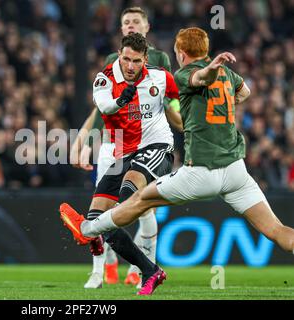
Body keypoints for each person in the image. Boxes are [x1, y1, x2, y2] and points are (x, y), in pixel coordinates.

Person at [61, 27, 294, 295]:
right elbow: (245, 94)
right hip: (236, 173)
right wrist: (216, 103)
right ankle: (142, 266)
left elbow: (200, 77)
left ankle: (87, 229)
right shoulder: (229, 75)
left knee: (138, 201)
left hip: (200, 173)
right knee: (277, 231)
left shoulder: (182, 74)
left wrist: (209, 72)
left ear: (181, 53)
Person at [70, 6, 181, 289]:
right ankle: (148, 270)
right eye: (126, 59)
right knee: (102, 218)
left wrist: (193, 127)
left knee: (129, 195)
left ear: (146, 57)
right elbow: (103, 107)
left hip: (156, 145)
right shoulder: (104, 77)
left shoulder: (161, 73)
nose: (130, 66)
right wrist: (86, 137)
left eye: (136, 61)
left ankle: (88, 232)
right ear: (120, 53)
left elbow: (180, 100)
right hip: (121, 149)